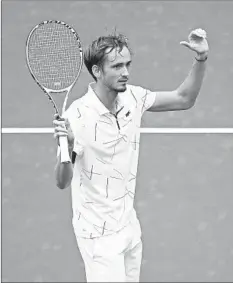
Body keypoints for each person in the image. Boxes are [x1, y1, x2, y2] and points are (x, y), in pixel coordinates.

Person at [53, 28, 209, 282]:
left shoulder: (133, 97)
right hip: (98, 236)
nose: (125, 72)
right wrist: (66, 146)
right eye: (116, 66)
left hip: (127, 225)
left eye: (127, 64)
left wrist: (200, 59)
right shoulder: (76, 117)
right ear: (97, 71)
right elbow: (62, 181)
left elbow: (184, 98)